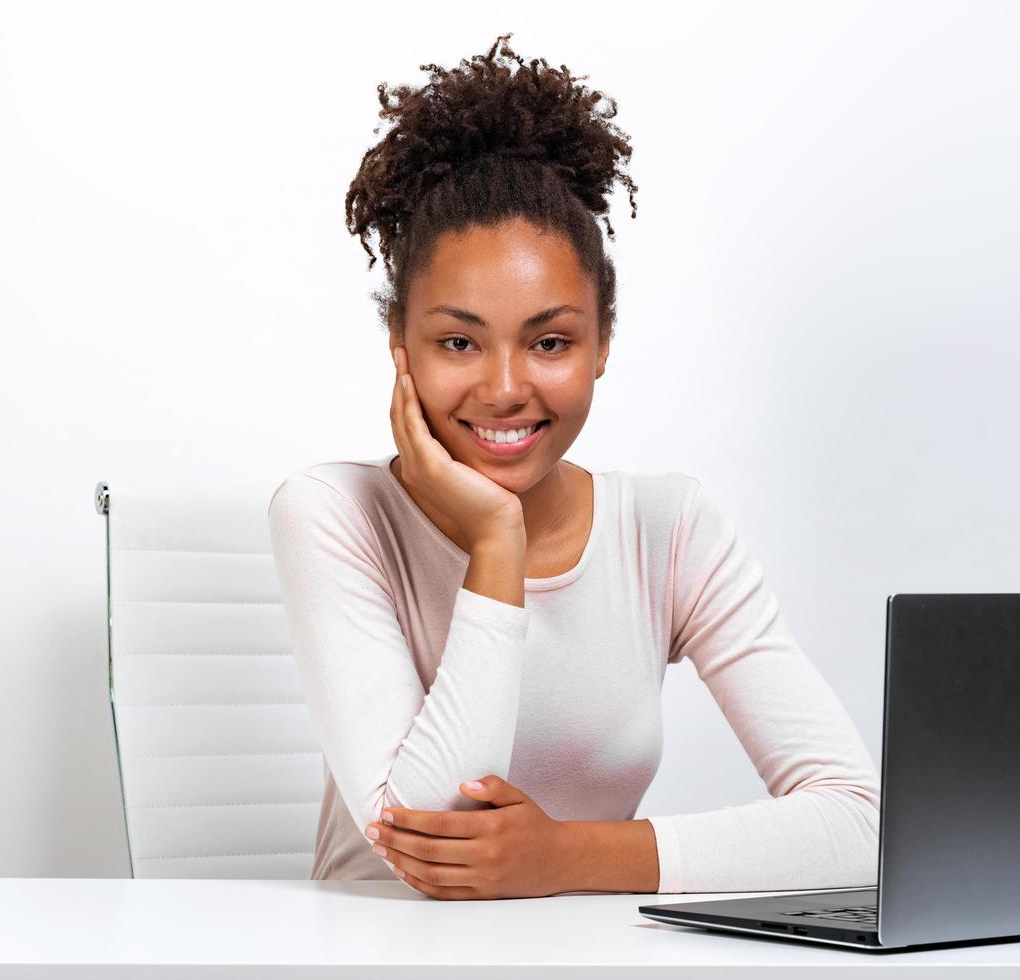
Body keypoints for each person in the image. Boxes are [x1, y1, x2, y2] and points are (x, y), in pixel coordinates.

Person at [267, 33, 879, 899]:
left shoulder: (668, 530)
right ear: (398, 348)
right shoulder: (331, 510)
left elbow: (858, 825)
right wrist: (494, 540)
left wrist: (566, 857)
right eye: (456, 342)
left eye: (549, 341)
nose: (506, 387)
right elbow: (420, 836)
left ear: (602, 346)